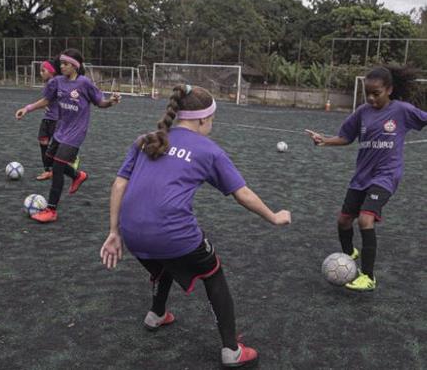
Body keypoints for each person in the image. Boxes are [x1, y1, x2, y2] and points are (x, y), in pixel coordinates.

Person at [100, 85, 291, 367]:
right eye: (212, 119)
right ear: (203, 119)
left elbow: (119, 184)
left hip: (132, 233)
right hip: (173, 233)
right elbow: (242, 194)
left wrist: (114, 232)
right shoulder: (208, 150)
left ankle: (156, 314)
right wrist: (274, 216)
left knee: (165, 261)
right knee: (213, 275)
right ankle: (231, 350)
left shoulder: (146, 140)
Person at [306, 65, 427, 291]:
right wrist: (324, 140)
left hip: (386, 175)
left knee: (365, 219)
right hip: (362, 176)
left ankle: (368, 277)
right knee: (343, 220)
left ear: (389, 90)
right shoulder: (363, 112)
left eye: (376, 93)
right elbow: (346, 137)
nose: (371, 98)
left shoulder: (401, 110)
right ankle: (350, 252)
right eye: (367, 94)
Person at [15, 48, 121, 223]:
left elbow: (100, 102)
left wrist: (111, 101)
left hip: (76, 134)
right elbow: (47, 100)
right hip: (60, 131)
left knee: (56, 168)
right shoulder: (57, 82)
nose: (61, 66)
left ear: (75, 66)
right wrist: (27, 109)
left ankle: (51, 210)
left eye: (65, 64)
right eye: (61, 63)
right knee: (48, 160)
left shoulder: (84, 83)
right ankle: (77, 175)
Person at [35, 59, 60, 181]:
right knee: (43, 142)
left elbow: (46, 101)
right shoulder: (49, 83)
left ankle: (70, 159)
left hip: (56, 120)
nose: (41, 73)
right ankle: (47, 170)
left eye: (43, 70)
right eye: (40, 71)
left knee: (55, 146)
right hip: (47, 118)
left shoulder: (54, 82)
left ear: (51, 71)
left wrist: (28, 108)